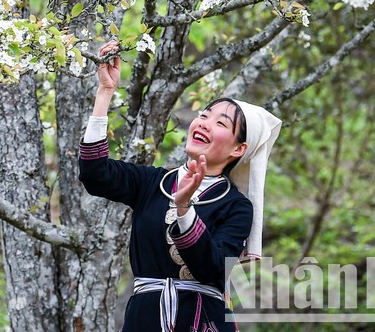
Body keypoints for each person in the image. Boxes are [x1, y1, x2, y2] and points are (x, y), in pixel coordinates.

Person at [78, 41, 282, 332]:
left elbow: (213, 269)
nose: (205, 122)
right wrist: (105, 93)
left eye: (221, 123)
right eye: (204, 115)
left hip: (202, 321)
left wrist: (184, 211)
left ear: (239, 149)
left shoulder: (236, 206)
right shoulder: (152, 183)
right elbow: (94, 173)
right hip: (144, 321)